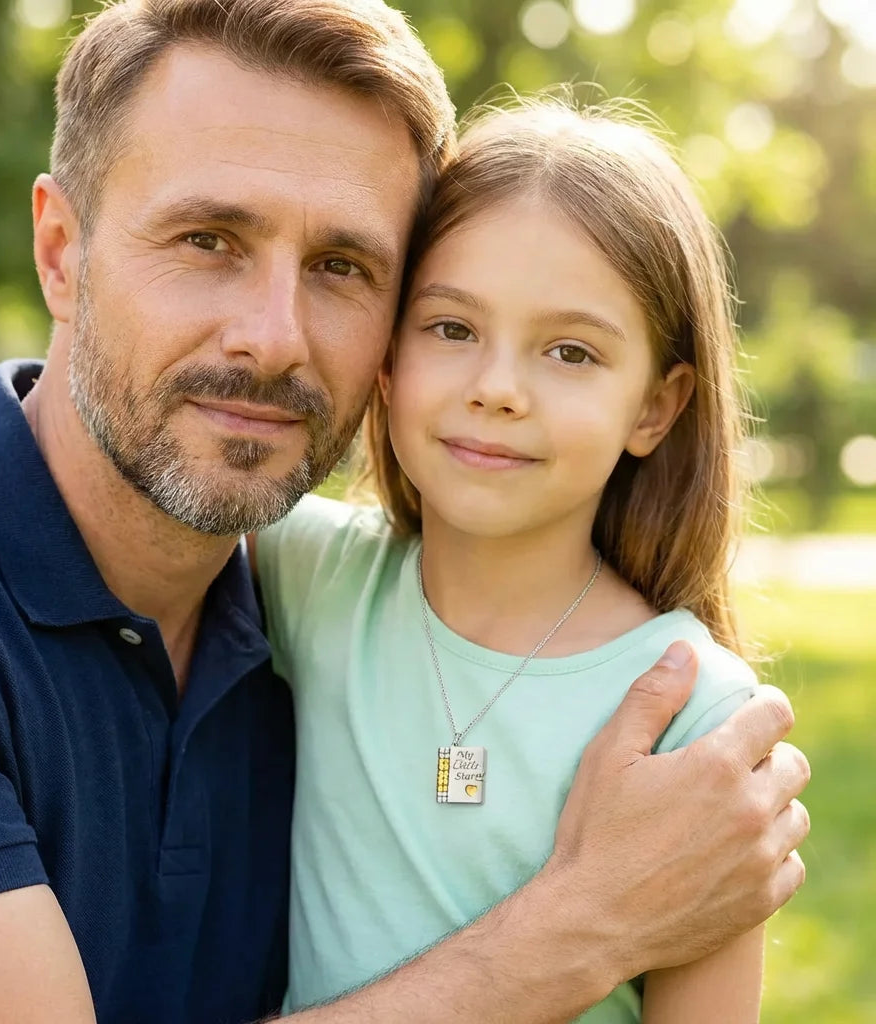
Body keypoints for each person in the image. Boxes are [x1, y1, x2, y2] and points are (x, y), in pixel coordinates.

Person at [0, 2, 809, 1023]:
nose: (273, 338)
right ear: (60, 252)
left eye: (342, 268)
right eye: (207, 238)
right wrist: (583, 926)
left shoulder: (272, 583)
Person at [254, 96, 772, 1022]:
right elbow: (78, 460)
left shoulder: (700, 719)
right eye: (451, 329)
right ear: (386, 357)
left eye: (570, 352)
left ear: (656, 407)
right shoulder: (308, 575)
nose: (497, 389)